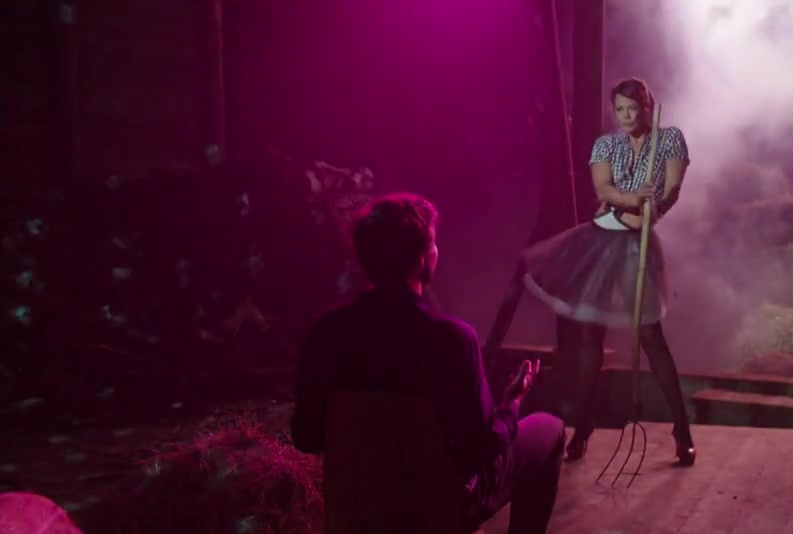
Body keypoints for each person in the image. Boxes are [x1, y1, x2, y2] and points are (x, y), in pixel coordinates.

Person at [290, 193, 565, 533]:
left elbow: (306, 436)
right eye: (433, 243)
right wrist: (511, 405)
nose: (437, 251)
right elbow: (478, 449)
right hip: (438, 510)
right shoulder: (452, 339)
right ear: (422, 259)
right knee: (549, 429)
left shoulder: (325, 332)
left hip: (357, 508)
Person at [521, 78, 696, 466]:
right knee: (590, 338)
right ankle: (582, 427)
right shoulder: (606, 145)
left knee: (651, 336)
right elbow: (604, 190)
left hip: (636, 243)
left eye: (633, 109)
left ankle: (681, 428)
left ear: (648, 107)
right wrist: (631, 198)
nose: (626, 116)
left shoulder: (669, 141)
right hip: (599, 240)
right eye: (620, 109)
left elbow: (671, 190)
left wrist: (652, 205)